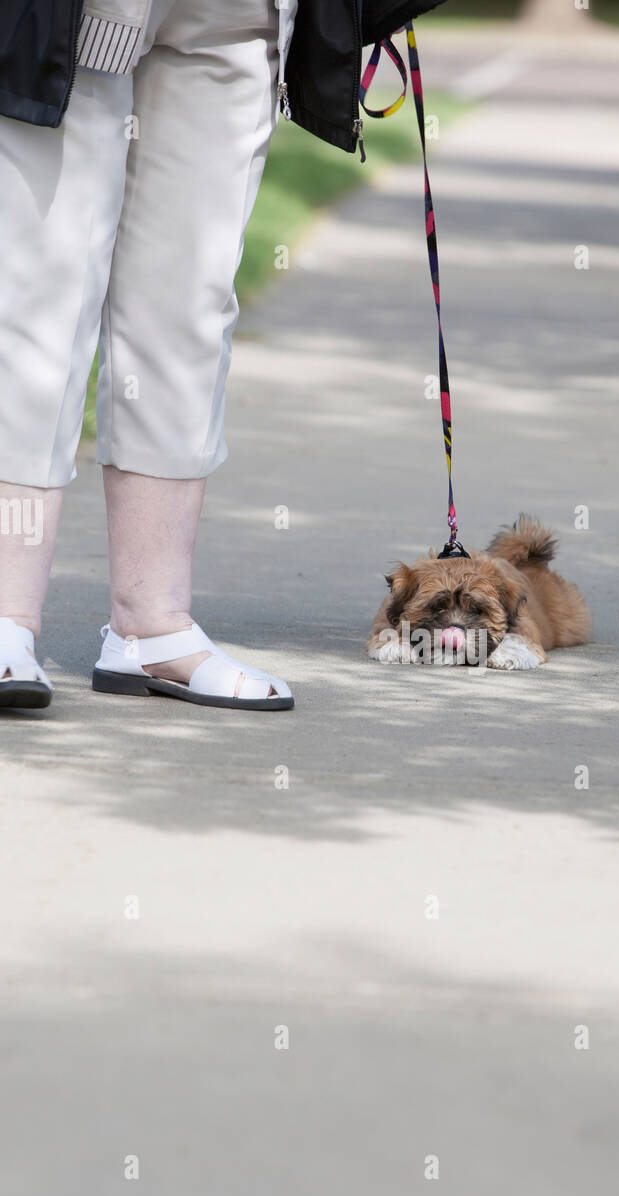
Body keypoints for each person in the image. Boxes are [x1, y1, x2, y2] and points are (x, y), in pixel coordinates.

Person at [0, 0, 443, 712]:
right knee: (41, 288)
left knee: (190, 309)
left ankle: (153, 626)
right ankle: (5, 617)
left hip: (241, 17)